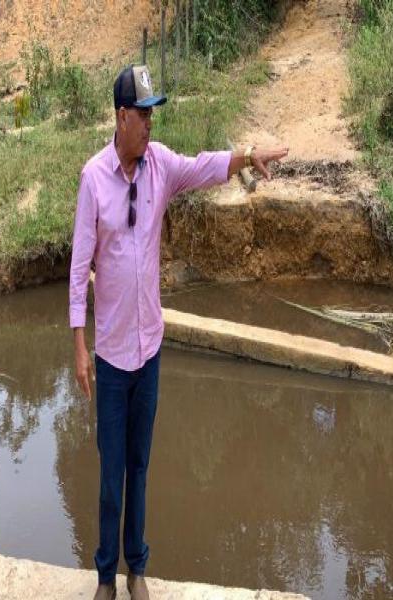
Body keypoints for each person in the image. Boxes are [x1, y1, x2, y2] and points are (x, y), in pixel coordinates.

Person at [69, 64, 288, 600]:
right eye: (142, 115)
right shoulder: (93, 178)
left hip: (150, 352)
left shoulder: (160, 165)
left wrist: (245, 156)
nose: (150, 124)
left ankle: (137, 569)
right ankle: (105, 576)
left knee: (140, 467)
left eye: (153, 115)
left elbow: (204, 166)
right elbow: (78, 269)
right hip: (112, 357)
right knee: (111, 475)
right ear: (121, 117)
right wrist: (79, 347)